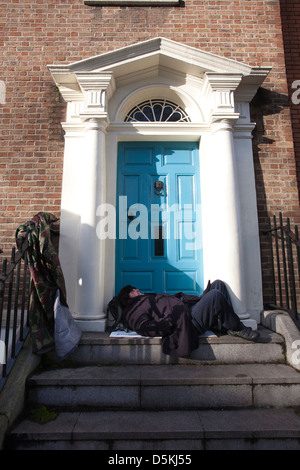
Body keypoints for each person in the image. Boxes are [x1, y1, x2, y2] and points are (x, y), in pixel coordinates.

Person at [117, 280, 260, 358]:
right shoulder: (133, 309)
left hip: (188, 310)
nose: (138, 290)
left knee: (218, 285)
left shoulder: (146, 298)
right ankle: (238, 328)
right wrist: (169, 322)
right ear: (129, 295)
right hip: (186, 322)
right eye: (134, 290)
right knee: (215, 295)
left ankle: (225, 324)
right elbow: (143, 326)